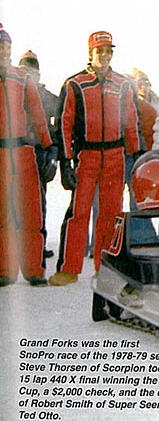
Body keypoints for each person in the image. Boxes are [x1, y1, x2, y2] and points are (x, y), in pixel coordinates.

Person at [50, 31, 140, 286]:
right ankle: (69, 268)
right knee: (79, 212)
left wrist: (136, 155)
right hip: (86, 155)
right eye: (99, 51)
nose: (104, 55)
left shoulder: (123, 84)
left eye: (108, 51)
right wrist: (66, 162)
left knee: (111, 214)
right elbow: (64, 125)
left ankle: (106, 267)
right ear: (90, 53)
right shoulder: (75, 84)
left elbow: (131, 120)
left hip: (115, 155)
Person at [0, 27, 53, 287]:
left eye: (7, 46)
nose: (4, 50)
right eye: (1, 46)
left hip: (23, 150)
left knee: (31, 210)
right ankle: (4, 270)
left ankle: (34, 269)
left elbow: (37, 113)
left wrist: (48, 146)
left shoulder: (21, 77)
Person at [18, 50, 60, 261]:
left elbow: (58, 131)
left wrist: (54, 156)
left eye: (31, 71)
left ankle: (38, 246)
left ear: (39, 75)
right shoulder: (11, 93)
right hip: (15, 152)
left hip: (41, 154)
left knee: (38, 204)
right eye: (24, 70)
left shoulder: (50, 99)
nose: (28, 75)